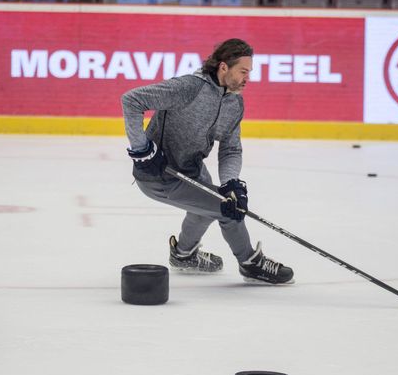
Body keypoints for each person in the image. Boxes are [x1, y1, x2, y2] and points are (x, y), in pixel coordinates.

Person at [121, 38, 294, 284]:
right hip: (160, 175)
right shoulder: (189, 88)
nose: (248, 78)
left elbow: (231, 149)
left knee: (212, 206)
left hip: (192, 171)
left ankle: (183, 255)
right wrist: (142, 151)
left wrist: (231, 183)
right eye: (243, 71)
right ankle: (250, 263)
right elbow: (132, 100)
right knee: (226, 211)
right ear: (224, 67)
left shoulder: (234, 103)